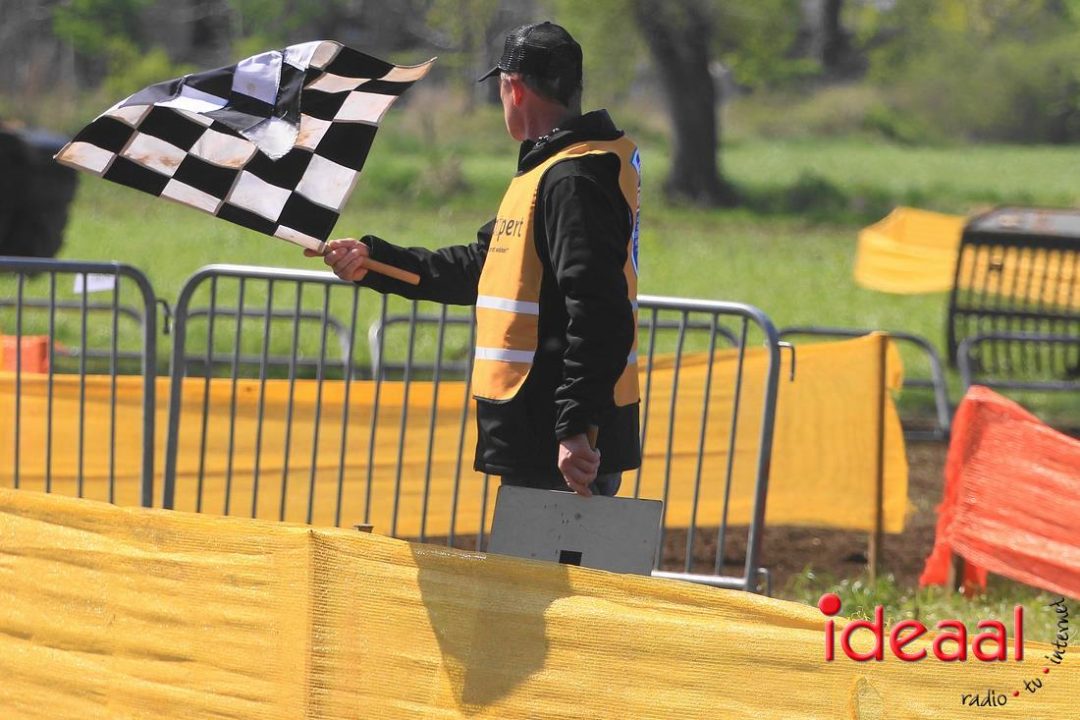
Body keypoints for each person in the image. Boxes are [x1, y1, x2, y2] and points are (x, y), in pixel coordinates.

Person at [310, 21, 641, 498]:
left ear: (514, 88)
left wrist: (574, 426)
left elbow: (599, 310)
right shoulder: (553, 167)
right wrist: (373, 261)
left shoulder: (572, 178)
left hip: (562, 446)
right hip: (542, 434)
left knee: (549, 552)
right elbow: (480, 267)